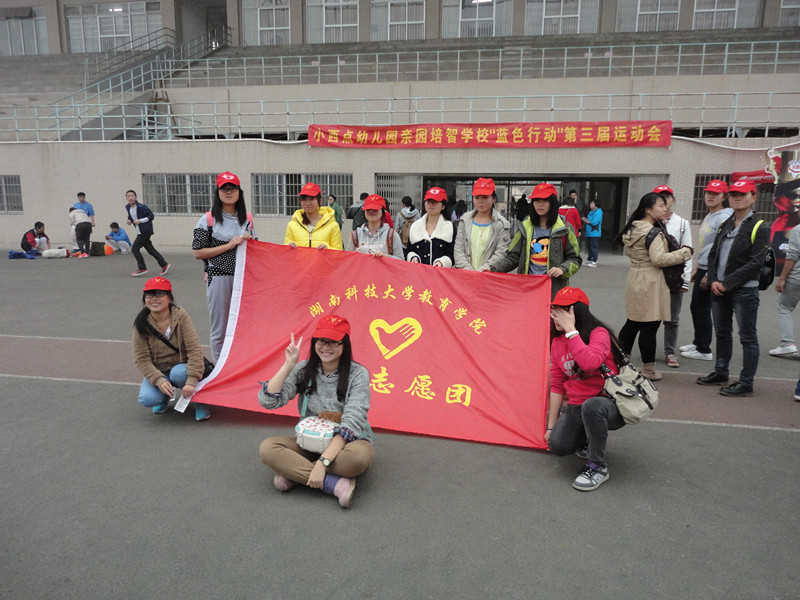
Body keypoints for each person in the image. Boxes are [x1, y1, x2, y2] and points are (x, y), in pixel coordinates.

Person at [258, 315, 374, 509]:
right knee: (268, 448)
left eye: (333, 342)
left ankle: (294, 472)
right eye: (321, 341)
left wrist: (322, 463)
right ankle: (333, 484)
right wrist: (288, 365)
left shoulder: (358, 374)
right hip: (309, 442)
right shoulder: (303, 369)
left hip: (346, 446)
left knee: (358, 458)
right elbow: (268, 401)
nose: (326, 347)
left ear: (344, 345)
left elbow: (352, 422)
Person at [546, 286, 626, 492]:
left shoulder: (599, 333)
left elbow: (590, 363)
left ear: (577, 313)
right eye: (554, 311)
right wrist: (550, 427)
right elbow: (557, 384)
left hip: (609, 404)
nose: (556, 316)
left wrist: (571, 331)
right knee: (558, 446)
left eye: (562, 312)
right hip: (577, 405)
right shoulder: (557, 341)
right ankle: (585, 437)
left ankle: (597, 466)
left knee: (592, 406)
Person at [697, 179, 770, 397]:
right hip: (719, 287)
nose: (737, 198)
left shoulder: (760, 226)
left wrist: (726, 283)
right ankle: (721, 372)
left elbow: (756, 263)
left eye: (742, 194)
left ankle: (746, 382)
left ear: (753, 197)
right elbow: (713, 253)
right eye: (733, 194)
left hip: (744, 289)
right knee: (722, 333)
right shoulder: (726, 223)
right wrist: (712, 279)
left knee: (747, 336)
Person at [617, 192, 692, 381]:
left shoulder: (632, 228)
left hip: (635, 277)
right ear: (648, 210)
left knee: (633, 322)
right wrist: (684, 253)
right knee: (649, 326)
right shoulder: (653, 232)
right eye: (661, 205)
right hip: (650, 280)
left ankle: (620, 363)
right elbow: (658, 259)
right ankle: (648, 370)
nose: (665, 208)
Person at [193, 171, 256, 361]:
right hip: (219, 277)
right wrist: (229, 245)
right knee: (220, 328)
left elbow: (256, 250)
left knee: (243, 325)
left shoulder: (248, 219)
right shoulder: (208, 219)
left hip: (244, 279)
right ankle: (220, 368)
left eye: (233, 189)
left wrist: (250, 241)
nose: (229, 192)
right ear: (218, 192)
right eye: (224, 189)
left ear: (239, 192)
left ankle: (238, 364)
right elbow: (198, 252)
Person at [131, 277, 210, 421]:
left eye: (160, 294)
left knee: (179, 374)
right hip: (160, 370)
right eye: (149, 294)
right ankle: (164, 396)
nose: (154, 298)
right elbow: (141, 359)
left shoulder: (181, 316)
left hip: (182, 368)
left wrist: (191, 380)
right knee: (147, 398)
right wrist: (159, 380)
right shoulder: (141, 323)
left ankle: (199, 402)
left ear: (170, 297)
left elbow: (194, 350)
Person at [490, 182, 581, 298]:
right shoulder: (524, 227)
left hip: (554, 291)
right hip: (528, 290)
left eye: (545, 201)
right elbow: (513, 257)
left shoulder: (565, 228)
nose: (540, 204)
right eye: (536, 200)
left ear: (552, 203)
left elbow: (575, 259)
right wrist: (492, 268)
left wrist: (562, 269)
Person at [680, 180, 733, 362]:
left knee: (702, 308)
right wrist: (699, 266)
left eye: (716, 194)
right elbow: (707, 246)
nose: (711, 196)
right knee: (697, 307)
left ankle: (704, 349)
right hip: (704, 267)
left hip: (713, 270)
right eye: (709, 192)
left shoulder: (724, 217)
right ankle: (698, 342)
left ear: (724, 197)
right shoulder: (711, 215)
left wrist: (710, 274)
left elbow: (721, 248)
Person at [654, 185, 693, 369]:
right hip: (654, 276)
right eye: (659, 197)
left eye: (667, 197)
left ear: (673, 200)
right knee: (651, 317)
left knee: (672, 319)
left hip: (675, 277)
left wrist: (685, 280)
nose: (664, 201)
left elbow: (688, 251)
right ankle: (648, 353)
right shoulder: (650, 222)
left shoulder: (682, 223)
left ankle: (670, 352)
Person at [454, 177, 511, 271]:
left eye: (485, 197)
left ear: (493, 199)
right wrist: (470, 272)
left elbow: (501, 252)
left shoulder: (502, 224)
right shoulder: (464, 221)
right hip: (465, 275)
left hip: (489, 275)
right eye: (477, 197)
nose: (480, 201)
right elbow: (458, 250)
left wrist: (483, 271)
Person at [768, 223, 799, 358]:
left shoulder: (797, 230)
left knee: (784, 307)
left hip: (797, 277)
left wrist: (782, 278)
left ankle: (787, 343)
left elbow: (792, 255)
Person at [406, 186, 456, 267]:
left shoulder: (450, 227)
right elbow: (409, 250)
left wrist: (442, 262)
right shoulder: (415, 226)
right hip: (419, 273)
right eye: (429, 201)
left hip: (440, 273)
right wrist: (413, 257)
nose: (431, 204)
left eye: (435, 201)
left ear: (443, 206)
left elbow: (453, 254)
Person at [284, 182, 343, 250]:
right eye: (304, 199)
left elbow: (338, 251)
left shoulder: (332, 225)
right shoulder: (292, 225)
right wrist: (289, 246)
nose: (308, 203)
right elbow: (285, 249)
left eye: (311, 199)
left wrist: (328, 249)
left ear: (320, 200)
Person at [125, 190, 170, 278]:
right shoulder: (127, 207)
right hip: (139, 231)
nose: (131, 198)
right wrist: (129, 220)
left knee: (134, 249)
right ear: (126, 198)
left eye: (132, 196)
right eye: (128, 196)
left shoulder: (141, 207)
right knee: (150, 249)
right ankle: (164, 264)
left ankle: (142, 268)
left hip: (145, 231)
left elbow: (151, 216)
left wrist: (140, 221)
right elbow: (131, 216)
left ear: (136, 197)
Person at [345, 194, 404, 259]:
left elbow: (401, 261)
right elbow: (347, 260)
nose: (371, 212)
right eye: (368, 209)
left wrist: (386, 257)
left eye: (375, 209)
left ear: (382, 211)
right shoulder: (355, 235)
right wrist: (354, 255)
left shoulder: (392, 235)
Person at [582, 200, 602, 267]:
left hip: (595, 233)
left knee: (594, 247)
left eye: (592, 203)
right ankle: (589, 259)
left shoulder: (598, 212)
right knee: (589, 247)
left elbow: (594, 222)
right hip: (589, 232)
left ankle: (594, 261)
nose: (590, 204)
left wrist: (586, 220)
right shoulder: (591, 212)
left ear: (596, 205)